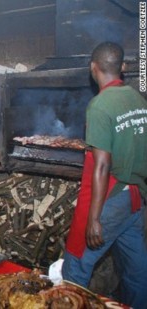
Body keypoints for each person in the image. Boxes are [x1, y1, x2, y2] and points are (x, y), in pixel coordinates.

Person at [62, 42, 147, 308]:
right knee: (137, 272)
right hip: (135, 197)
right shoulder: (138, 99)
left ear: (93, 68)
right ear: (122, 67)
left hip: (110, 197)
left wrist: (95, 219)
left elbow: (101, 165)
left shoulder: (99, 106)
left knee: (75, 269)